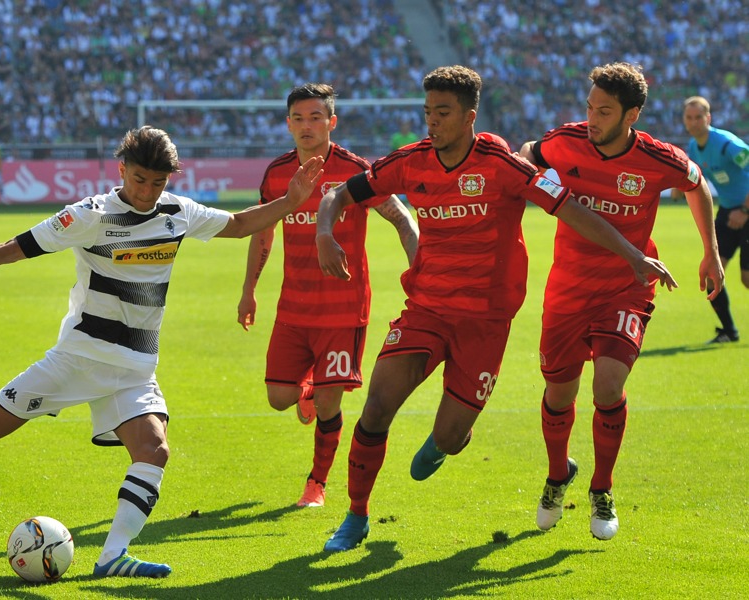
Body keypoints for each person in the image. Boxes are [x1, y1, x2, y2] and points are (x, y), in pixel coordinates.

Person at [0, 126, 325, 578]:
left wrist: (291, 201)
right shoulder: (89, 215)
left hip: (135, 367)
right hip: (79, 358)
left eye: (159, 182)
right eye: (139, 179)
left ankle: (113, 556)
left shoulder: (177, 211)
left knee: (154, 451)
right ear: (122, 170)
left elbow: (237, 225)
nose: (148, 191)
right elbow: (7, 251)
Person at [315, 65, 673, 552]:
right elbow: (339, 194)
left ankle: (445, 443)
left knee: (450, 435)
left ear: (469, 116)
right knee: (376, 408)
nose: (432, 122)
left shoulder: (504, 165)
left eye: (442, 113)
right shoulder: (409, 161)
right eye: (427, 112)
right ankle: (354, 517)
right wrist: (323, 232)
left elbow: (569, 208)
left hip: (484, 324)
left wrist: (633, 255)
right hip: (426, 311)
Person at [519, 63, 725, 541]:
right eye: (590, 106)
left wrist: (710, 252)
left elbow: (698, 186)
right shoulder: (565, 141)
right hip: (567, 288)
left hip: (628, 285)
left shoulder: (658, 158)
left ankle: (602, 488)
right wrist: (531, 173)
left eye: (604, 111)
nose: (591, 117)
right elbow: (528, 153)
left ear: (631, 114)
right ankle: (556, 476)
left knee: (608, 387)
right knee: (559, 392)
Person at [237, 83, 418, 508]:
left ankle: (316, 483)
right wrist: (248, 290)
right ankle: (307, 391)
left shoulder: (357, 172)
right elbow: (263, 232)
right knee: (279, 398)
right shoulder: (277, 174)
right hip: (293, 308)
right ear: (287, 124)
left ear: (332, 122)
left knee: (330, 401)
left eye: (316, 117)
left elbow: (401, 216)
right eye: (298, 118)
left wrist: (418, 266)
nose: (307, 126)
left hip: (343, 310)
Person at [674, 96, 748, 344]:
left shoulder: (727, 144)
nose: (694, 123)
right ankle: (729, 332)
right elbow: (692, 178)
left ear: (709, 118)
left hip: (747, 211)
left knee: (747, 279)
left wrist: (745, 211)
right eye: (689, 118)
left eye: (698, 117)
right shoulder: (694, 148)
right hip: (727, 212)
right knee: (711, 275)